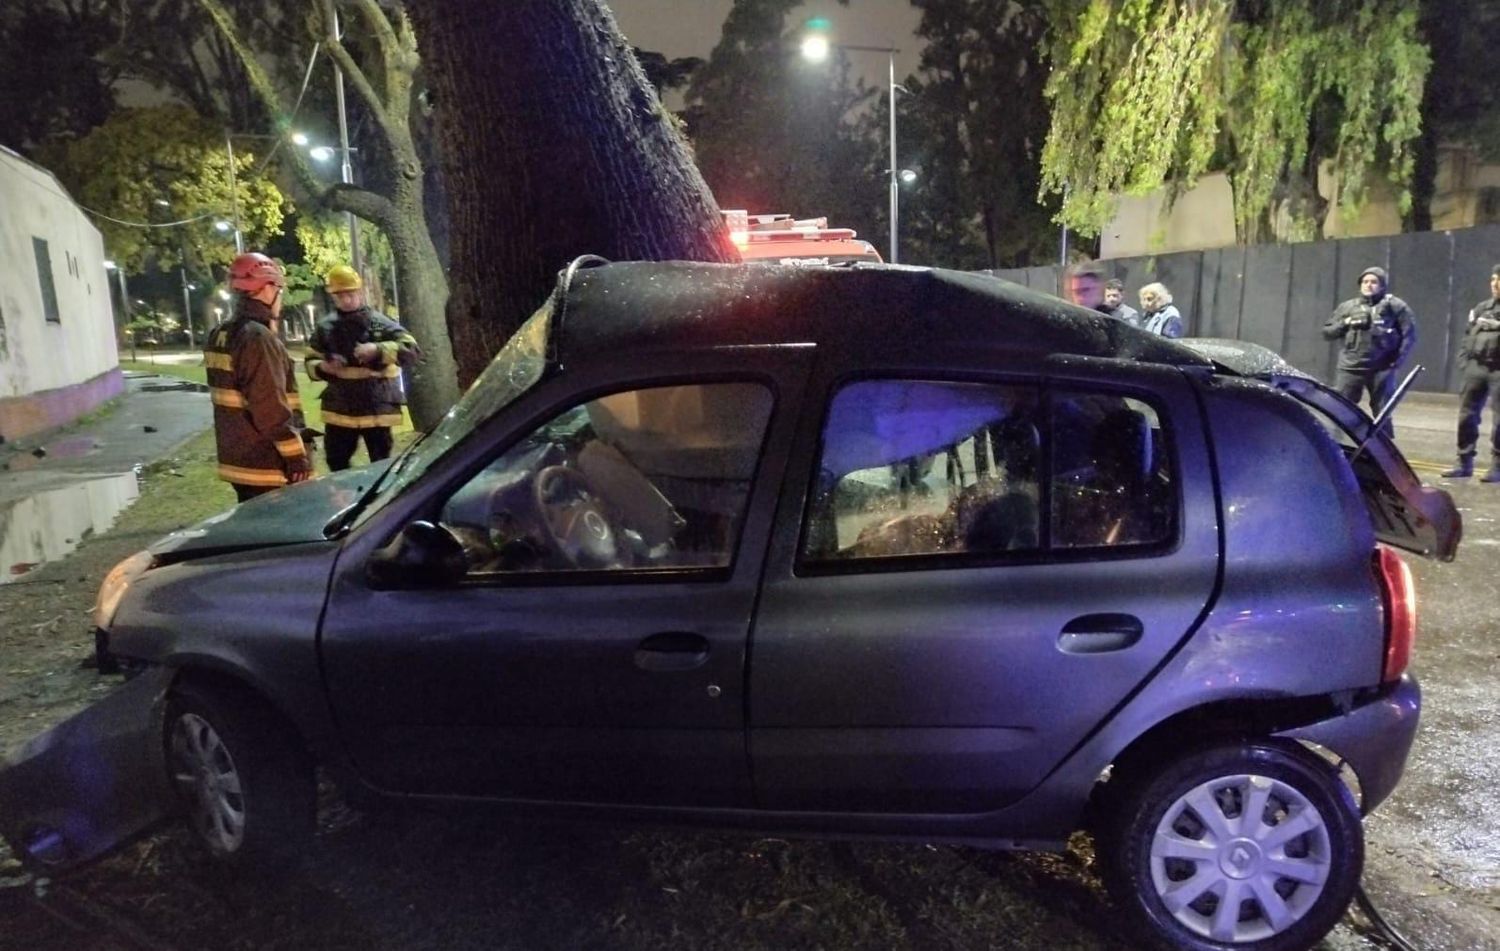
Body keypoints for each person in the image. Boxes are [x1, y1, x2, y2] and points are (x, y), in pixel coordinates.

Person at [204, 252, 311, 502]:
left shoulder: (221, 332)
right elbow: (269, 405)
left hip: (239, 460)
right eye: (279, 290)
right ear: (267, 288)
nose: (280, 299)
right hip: (267, 463)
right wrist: (296, 457)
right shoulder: (257, 337)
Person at [306, 264, 421, 471]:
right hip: (340, 410)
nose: (346, 299)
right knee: (336, 462)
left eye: (350, 294)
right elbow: (310, 360)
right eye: (340, 295)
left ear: (360, 292)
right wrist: (323, 367)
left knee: (380, 467)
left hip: (376, 409)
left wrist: (377, 350)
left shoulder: (380, 324)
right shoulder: (325, 328)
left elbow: (411, 349)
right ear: (333, 296)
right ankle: (344, 500)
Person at [1321, 266, 1416, 428]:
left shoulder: (1395, 306)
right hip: (1350, 367)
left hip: (1382, 369)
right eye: (1365, 282)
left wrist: (1397, 361)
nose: (1368, 285)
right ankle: (1343, 446)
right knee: (1342, 410)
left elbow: (1409, 335)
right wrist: (1346, 322)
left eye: (1373, 282)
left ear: (1382, 285)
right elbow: (1327, 332)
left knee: (1383, 413)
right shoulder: (1347, 307)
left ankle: (1382, 450)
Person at [1442, 265, 1500, 481]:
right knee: (1467, 416)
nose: (1495, 283)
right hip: (1476, 367)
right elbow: (1467, 335)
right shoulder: (1482, 308)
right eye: (1493, 279)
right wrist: (1464, 362)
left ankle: (1498, 466)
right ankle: (1464, 461)